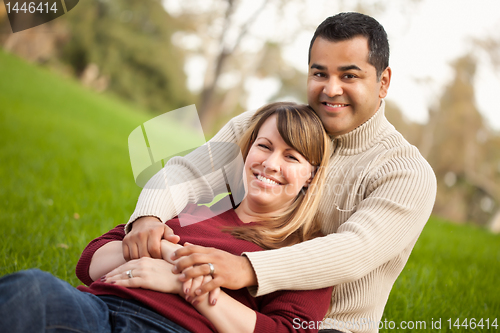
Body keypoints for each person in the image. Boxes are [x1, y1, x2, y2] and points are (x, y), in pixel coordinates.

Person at [123, 12, 437, 333]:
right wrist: (149, 217)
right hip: (226, 305)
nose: (331, 89)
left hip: (330, 326)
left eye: (349, 76)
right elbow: (190, 172)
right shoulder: (264, 126)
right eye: (319, 73)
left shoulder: (406, 173)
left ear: (383, 82)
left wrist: (247, 268)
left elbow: (355, 250)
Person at [0, 102, 334, 333]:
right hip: (97, 309)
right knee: (33, 290)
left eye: (291, 156)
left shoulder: (302, 253)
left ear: (310, 176)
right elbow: (90, 262)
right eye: (264, 146)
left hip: (174, 327)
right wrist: (168, 253)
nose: (271, 164)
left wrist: (181, 282)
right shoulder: (191, 211)